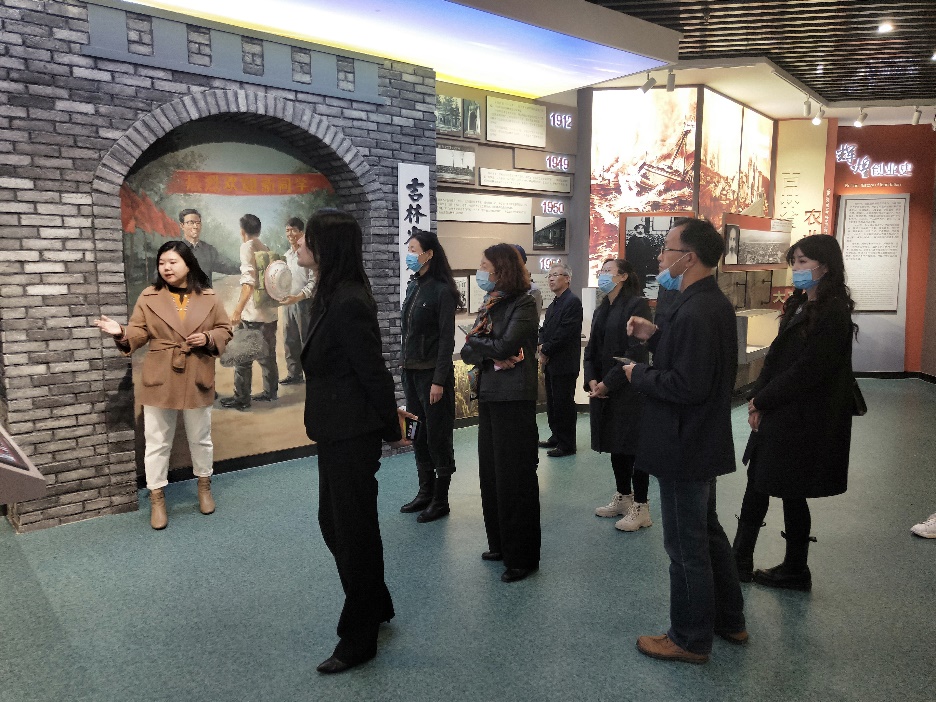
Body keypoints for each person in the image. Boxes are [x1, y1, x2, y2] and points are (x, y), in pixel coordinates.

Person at [624, 218, 746, 664]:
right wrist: (656, 336)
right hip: (699, 440)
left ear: (688, 257)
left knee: (684, 546)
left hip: (683, 442)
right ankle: (729, 619)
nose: (660, 257)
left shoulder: (697, 310)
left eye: (667, 249)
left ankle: (689, 638)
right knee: (707, 534)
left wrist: (639, 374)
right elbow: (692, 361)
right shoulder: (706, 303)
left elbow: (687, 385)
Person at [298, 209, 412, 674]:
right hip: (335, 429)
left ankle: (359, 636)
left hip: (351, 434)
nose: (299, 245)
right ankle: (376, 602)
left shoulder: (348, 300)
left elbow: (372, 371)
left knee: (351, 532)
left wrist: (392, 429)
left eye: (306, 239)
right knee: (339, 524)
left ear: (325, 248)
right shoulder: (330, 293)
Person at [734, 235, 858, 592]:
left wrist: (763, 400)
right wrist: (758, 397)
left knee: (787, 486)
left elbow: (808, 370)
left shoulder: (833, 312)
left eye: (803, 261)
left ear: (825, 266)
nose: (797, 269)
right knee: (764, 481)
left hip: (804, 416)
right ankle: (746, 560)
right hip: (783, 409)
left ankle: (787, 567)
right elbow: (776, 358)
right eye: (795, 262)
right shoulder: (801, 304)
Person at [93, 241, 232, 530]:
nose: (166, 268)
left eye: (173, 262)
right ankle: (157, 498)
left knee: (200, 437)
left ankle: (204, 486)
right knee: (156, 441)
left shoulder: (209, 296)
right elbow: (138, 332)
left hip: (197, 371)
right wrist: (121, 332)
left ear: (188, 264)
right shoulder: (149, 296)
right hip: (160, 374)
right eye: (162, 263)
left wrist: (207, 338)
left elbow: (224, 329)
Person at [461, 243, 541, 583]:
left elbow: (507, 345)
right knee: (491, 475)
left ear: (501, 269)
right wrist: (491, 353)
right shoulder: (490, 303)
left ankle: (522, 557)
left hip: (514, 398)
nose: (480, 271)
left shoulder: (524, 303)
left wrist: (487, 348)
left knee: (514, 478)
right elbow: (467, 350)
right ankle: (500, 544)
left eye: (484, 265)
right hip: (490, 395)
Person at [585, 259, 653, 531]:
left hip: (629, 387)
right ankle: (624, 496)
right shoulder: (603, 307)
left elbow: (635, 351)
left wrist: (608, 383)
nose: (602, 275)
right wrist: (592, 379)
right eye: (601, 271)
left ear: (623, 276)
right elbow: (591, 348)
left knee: (633, 446)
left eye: (608, 271)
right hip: (604, 386)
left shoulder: (636, 305)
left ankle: (642, 506)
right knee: (615, 444)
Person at [399, 230, 460, 523]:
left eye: (414, 249)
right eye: (408, 249)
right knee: (417, 433)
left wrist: (438, 380)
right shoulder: (414, 286)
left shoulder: (442, 290)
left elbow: (447, 340)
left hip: (432, 377)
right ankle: (425, 491)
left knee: (438, 436)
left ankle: (441, 499)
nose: (409, 254)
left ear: (429, 254)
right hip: (411, 373)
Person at [221, 214, 279, 410]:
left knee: (242, 358)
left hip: (252, 315)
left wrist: (237, 310)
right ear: (259, 230)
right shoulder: (266, 248)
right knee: (268, 356)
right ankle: (270, 393)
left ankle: (242, 399)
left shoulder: (247, 247)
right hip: (270, 314)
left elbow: (249, 283)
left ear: (242, 231)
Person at [537, 262, 583, 457]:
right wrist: (541, 345)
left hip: (564, 363)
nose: (551, 278)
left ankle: (567, 444)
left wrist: (545, 350)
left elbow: (565, 333)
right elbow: (544, 329)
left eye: (556, 275)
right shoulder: (554, 303)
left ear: (567, 279)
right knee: (553, 403)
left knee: (564, 404)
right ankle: (556, 436)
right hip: (551, 363)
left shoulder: (572, 302)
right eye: (549, 275)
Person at [278, 217, 315, 386]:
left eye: (293, 230)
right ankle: (294, 374)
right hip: (289, 303)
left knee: (306, 339)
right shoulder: (286, 256)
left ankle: (313, 375)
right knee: (289, 339)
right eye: (287, 230)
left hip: (305, 303)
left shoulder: (309, 253)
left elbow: (313, 282)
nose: (290, 234)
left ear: (301, 232)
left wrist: (299, 296)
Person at [178, 209, 240, 281]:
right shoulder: (175, 250)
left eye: (198, 223)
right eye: (191, 223)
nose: (195, 226)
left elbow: (228, 266)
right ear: (182, 225)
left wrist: (247, 266)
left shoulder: (209, 250)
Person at [625, 222, 658, 295]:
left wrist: (648, 261)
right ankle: (634, 291)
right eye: (639, 228)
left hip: (643, 262)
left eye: (642, 228)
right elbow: (629, 251)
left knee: (642, 275)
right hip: (634, 261)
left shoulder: (646, 239)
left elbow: (649, 251)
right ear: (636, 229)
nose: (640, 229)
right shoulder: (632, 239)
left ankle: (641, 290)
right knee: (634, 275)